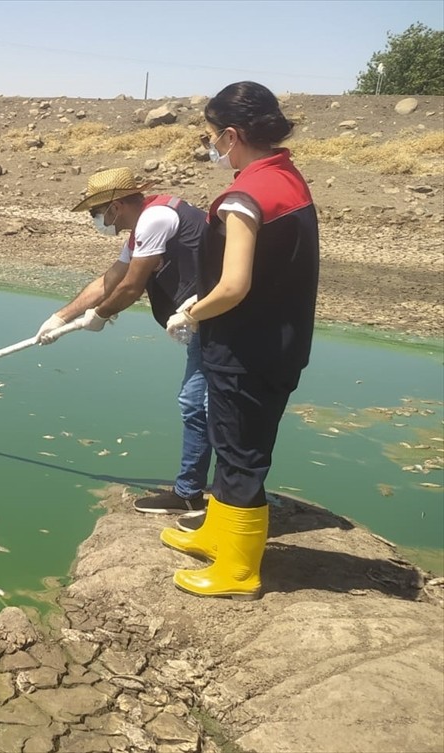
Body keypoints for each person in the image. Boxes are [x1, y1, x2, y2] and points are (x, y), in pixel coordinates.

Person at [159, 81, 319, 600]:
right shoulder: (284, 176)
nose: (209, 146)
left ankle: (238, 570)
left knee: (241, 456)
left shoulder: (246, 196)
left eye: (211, 136)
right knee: (233, 442)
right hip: (278, 339)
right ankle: (218, 533)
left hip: (248, 348)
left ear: (230, 134)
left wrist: (191, 312)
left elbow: (233, 285)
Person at [36, 167, 211, 518]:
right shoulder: (143, 228)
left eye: (96, 212)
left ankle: (219, 500)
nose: (97, 219)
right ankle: (191, 492)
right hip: (200, 323)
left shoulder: (156, 219)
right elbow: (110, 280)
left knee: (204, 406)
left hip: (218, 322)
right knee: (196, 404)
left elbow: (130, 287)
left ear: (115, 206)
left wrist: (100, 316)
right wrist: (61, 317)